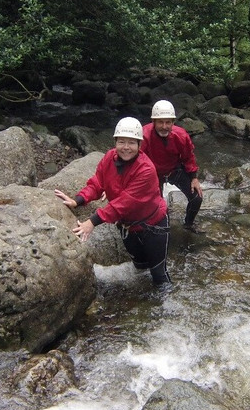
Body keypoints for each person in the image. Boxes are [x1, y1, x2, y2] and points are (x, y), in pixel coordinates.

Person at [55, 117, 171, 286]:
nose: (126, 147)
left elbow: (125, 203)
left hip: (153, 225)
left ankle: (165, 300)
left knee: (158, 275)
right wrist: (78, 200)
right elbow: (97, 183)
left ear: (140, 145)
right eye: (121, 142)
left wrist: (92, 222)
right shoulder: (109, 157)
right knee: (140, 269)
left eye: (131, 143)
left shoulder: (146, 169)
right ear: (115, 142)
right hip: (128, 226)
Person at [141, 100, 203, 231]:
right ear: (153, 122)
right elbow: (134, 160)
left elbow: (188, 157)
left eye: (168, 122)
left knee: (197, 198)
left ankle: (188, 225)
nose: (164, 126)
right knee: (161, 210)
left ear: (173, 122)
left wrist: (194, 178)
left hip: (174, 170)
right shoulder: (144, 136)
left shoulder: (180, 135)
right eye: (160, 122)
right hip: (153, 174)